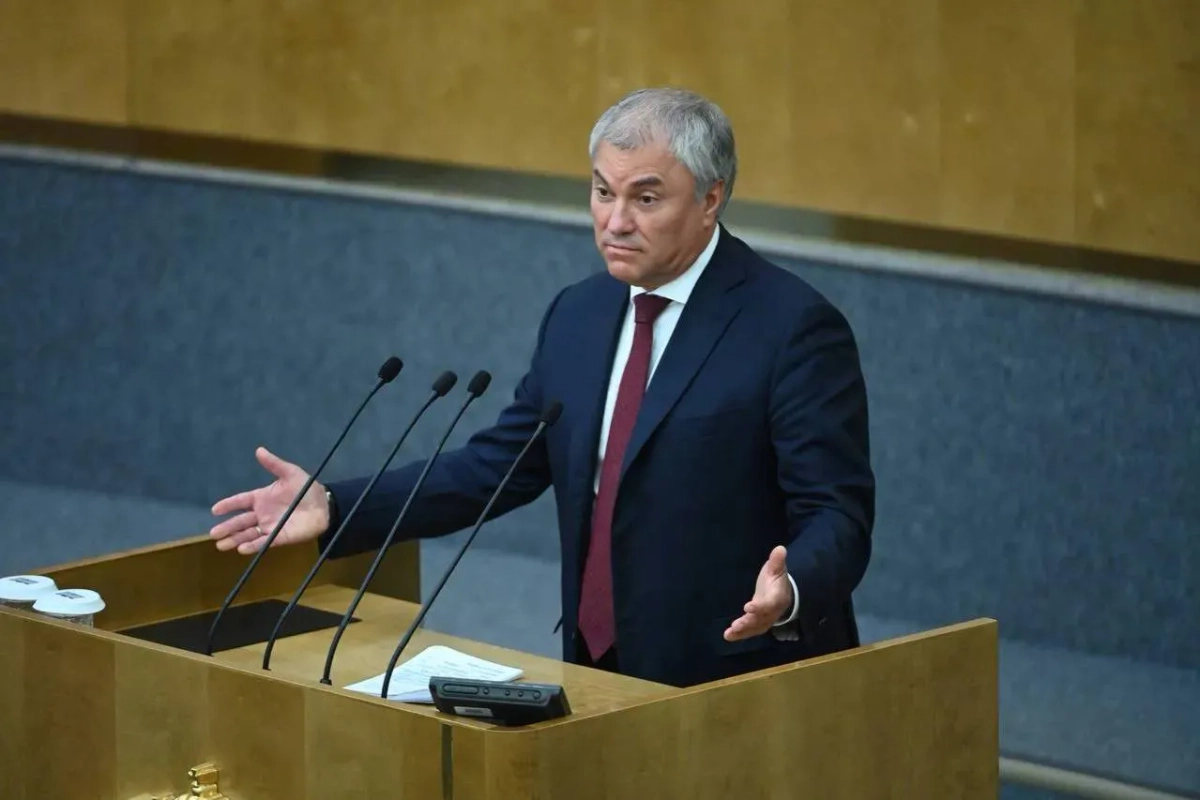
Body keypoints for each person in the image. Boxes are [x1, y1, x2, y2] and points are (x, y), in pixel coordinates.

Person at [210, 87, 875, 688]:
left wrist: (791, 588)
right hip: (594, 662)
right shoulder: (579, 314)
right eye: (602, 192)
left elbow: (836, 512)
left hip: (736, 673)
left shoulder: (791, 328)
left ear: (711, 198)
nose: (615, 221)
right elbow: (496, 467)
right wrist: (336, 505)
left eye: (645, 199)